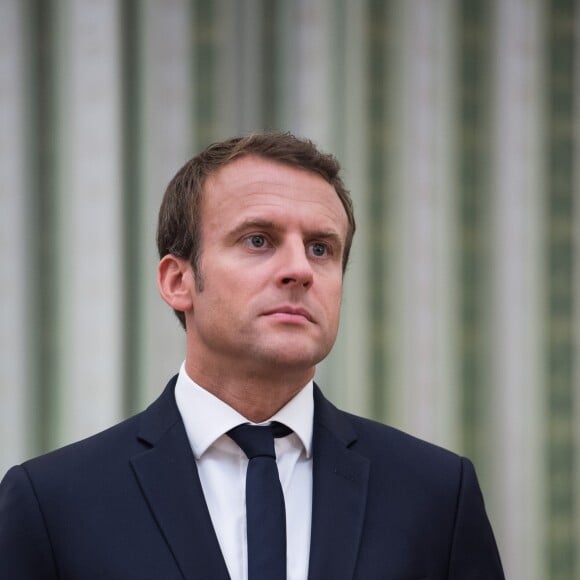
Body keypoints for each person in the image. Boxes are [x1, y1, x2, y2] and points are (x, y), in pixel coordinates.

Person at [0, 132, 504, 579]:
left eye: (321, 249)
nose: (299, 270)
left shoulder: (436, 495)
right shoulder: (54, 502)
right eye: (258, 240)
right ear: (178, 281)